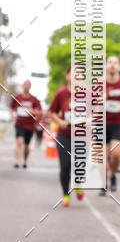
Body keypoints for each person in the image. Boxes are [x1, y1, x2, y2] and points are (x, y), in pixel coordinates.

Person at [48, 67, 84, 206]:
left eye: (80, 73)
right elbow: (52, 112)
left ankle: (78, 183)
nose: (77, 75)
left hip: (82, 135)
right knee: (65, 165)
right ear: (67, 75)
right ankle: (65, 194)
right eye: (75, 72)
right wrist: (59, 121)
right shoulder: (61, 93)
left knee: (80, 165)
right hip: (64, 135)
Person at [100, 56, 120, 195]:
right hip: (102, 123)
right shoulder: (100, 83)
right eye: (110, 62)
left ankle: (113, 175)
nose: (112, 65)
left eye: (115, 63)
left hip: (119, 123)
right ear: (106, 66)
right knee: (103, 156)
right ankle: (103, 182)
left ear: (119, 67)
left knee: (116, 154)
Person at [10, 79, 42, 169]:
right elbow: (11, 108)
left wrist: (33, 112)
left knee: (26, 145)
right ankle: (17, 161)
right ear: (22, 86)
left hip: (30, 125)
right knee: (19, 142)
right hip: (19, 123)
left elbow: (40, 112)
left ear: (30, 87)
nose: (26, 86)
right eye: (25, 84)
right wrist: (12, 115)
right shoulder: (17, 97)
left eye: (28, 85)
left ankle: (25, 160)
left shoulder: (34, 99)